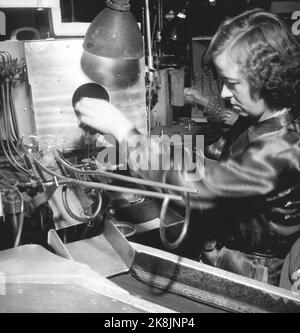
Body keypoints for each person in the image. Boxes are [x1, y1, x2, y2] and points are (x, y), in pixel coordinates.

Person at [75, 8, 300, 287]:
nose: (224, 94)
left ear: (267, 80)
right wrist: (160, 149)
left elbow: (204, 186)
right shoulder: (254, 123)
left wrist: (123, 131)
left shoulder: (283, 148)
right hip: (223, 255)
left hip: (250, 273)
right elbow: (214, 166)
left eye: (232, 84)